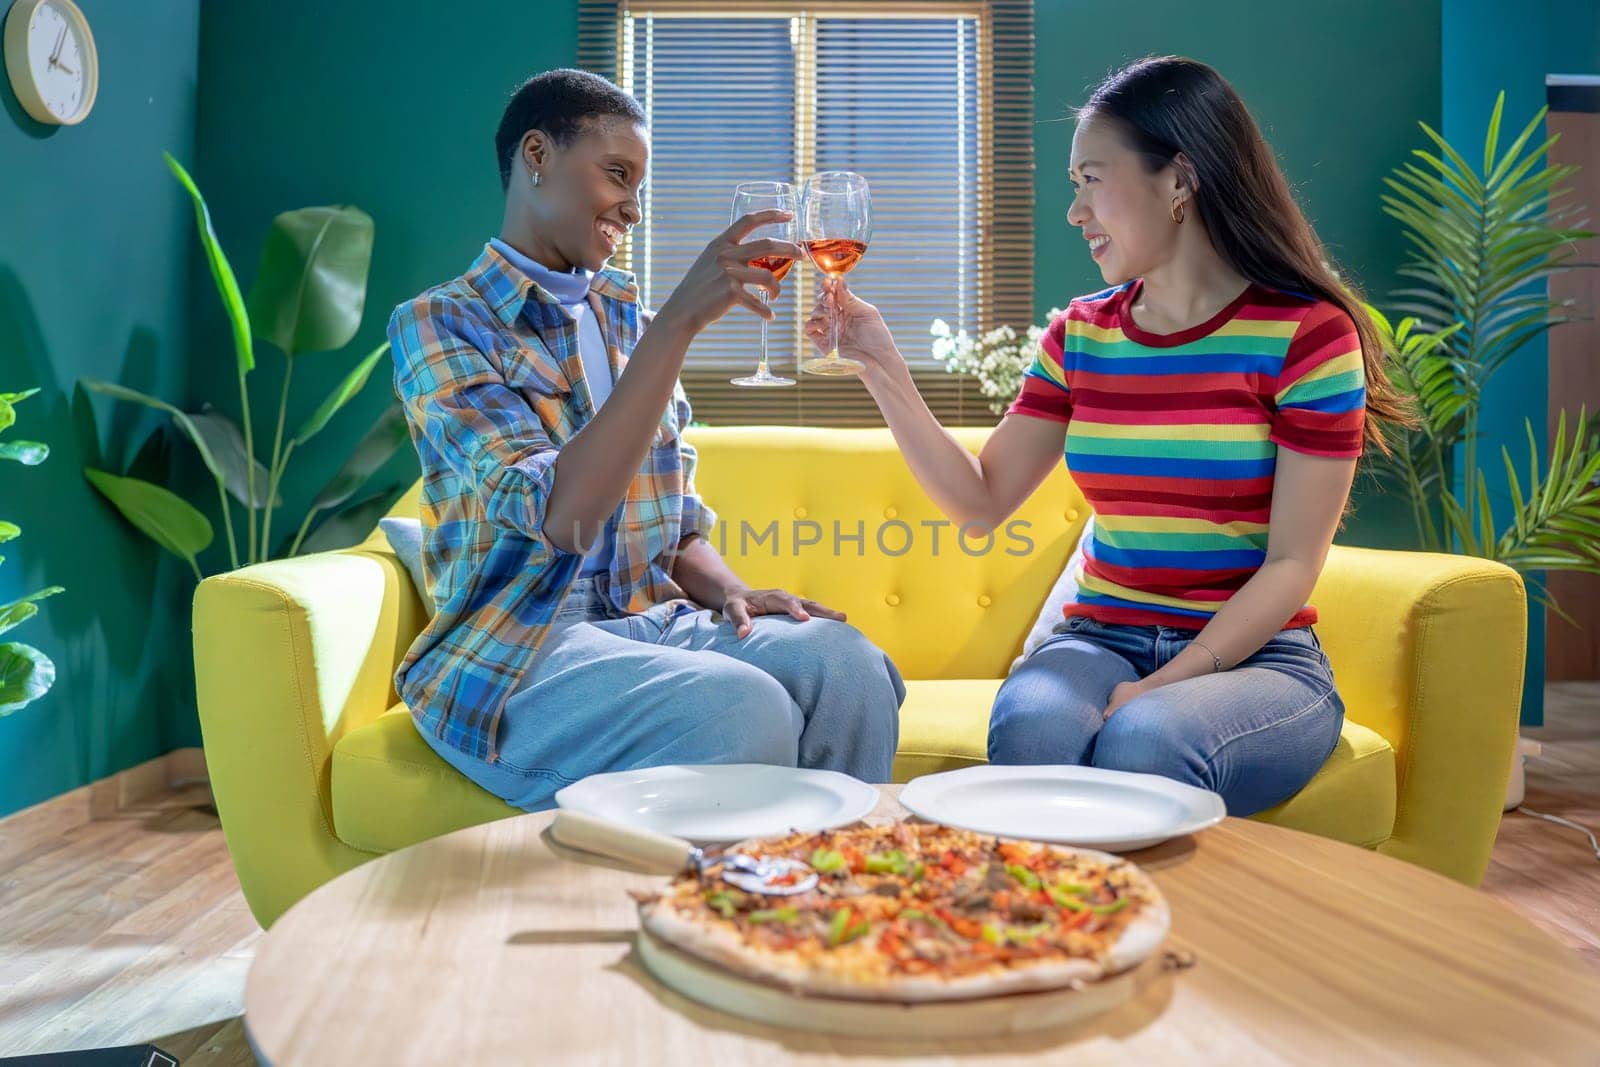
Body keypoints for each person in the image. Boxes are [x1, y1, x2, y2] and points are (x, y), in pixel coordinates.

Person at [804, 56, 1412, 816]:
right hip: (1098, 637)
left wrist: (1170, 680)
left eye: (1092, 179)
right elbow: (981, 501)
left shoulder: (1307, 337)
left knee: (1148, 742)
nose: (1075, 210)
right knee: (1033, 732)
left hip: (1260, 660)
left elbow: (1293, 563)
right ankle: (1046, 936)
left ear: (1179, 181)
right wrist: (880, 364)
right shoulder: (1082, 335)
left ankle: (1169, 936)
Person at [389, 69, 903, 811]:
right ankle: (715, 913)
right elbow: (564, 519)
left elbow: (673, 521)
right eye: (617, 174)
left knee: (848, 666)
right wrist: (677, 328)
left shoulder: (625, 317)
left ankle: (824, 909)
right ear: (537, 154)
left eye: (640, 183)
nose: (632, 205)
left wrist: (732, 590)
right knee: (741, 707)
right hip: (521, 647)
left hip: (649, 618)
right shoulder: (441, 324)